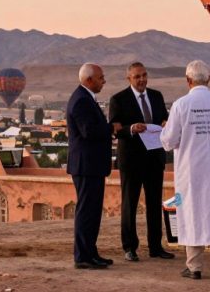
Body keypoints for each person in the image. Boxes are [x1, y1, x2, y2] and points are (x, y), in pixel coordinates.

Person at [160, 60, 210, 280]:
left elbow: (169, 140)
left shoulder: (181, 105)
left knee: (192, 213)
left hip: (191, 172)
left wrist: (165, 131)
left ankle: (194, 267)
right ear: (209, 79)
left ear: (188, 80)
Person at [108, 62, 174, 261]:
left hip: (154, 158)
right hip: (131, 160)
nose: (142, 79)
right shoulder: (118, 99)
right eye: (137, 76)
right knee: (130, 204)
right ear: (129, 78)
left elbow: (164, 119)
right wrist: (131, 128)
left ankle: (156, 247)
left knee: (154, 203)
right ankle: (129, 247)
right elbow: (115, 129)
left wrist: (165, 123)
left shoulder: (156, 96)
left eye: (144, 75)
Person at [66, 62, 119, 269]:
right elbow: (88, 131)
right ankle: (82, 256)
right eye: (100, 78)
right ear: (89, 80)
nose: (104, 81)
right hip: (86, 166)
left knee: (93, 211)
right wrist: (111, 128)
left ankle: (90, 252)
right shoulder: (81, 100)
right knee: (87, 211)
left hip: (92, 166)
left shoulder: (86, 98)